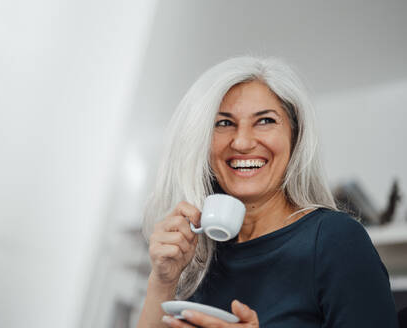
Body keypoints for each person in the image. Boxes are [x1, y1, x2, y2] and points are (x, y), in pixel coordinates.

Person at [136, 56, 398, 327]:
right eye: (224, 123)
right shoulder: (197, 257)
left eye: (265, 121)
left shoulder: (335, 240)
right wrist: (163, 280)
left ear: (295, 137)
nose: (242, 142)